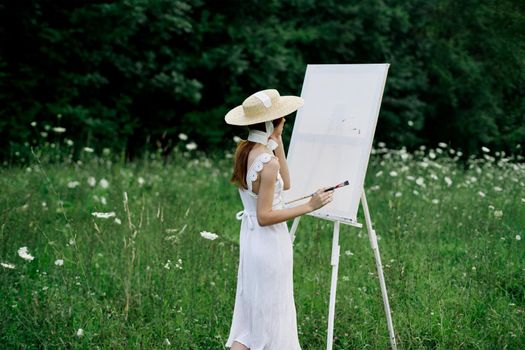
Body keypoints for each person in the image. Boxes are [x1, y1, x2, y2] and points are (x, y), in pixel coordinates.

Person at [224, 89, 334, 349]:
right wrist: (310, 205)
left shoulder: (246, 150)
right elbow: (265, 216)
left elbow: (287, 184)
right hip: (269, 244)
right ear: (276, 121)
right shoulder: (267, 161)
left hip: (252, 242)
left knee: (251, 320)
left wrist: (277, 141)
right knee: (272, 317)